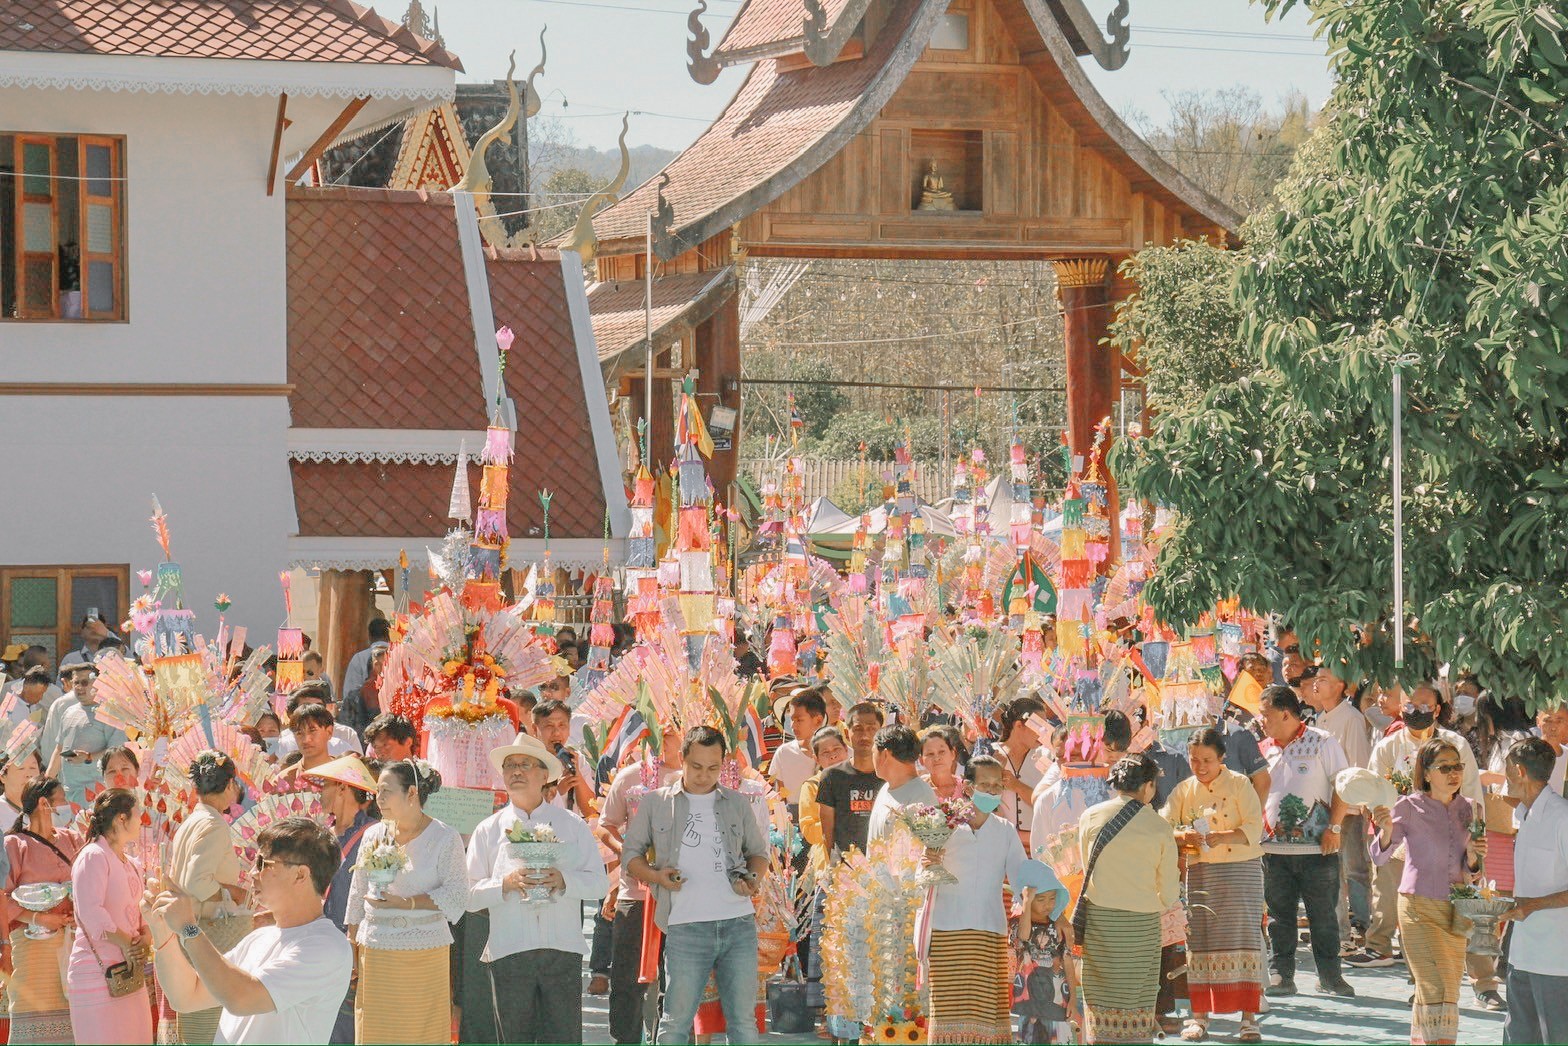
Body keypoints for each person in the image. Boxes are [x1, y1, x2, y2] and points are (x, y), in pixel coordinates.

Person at [149, 816, 354, 1045]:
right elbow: (186, 996)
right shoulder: (259, 938)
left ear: (300, 875)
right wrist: (162, 930)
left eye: (263, 864)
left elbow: (241, 998)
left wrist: (189, 928)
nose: (253, 873)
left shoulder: (327, 947)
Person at [624, 725, 769, 1046]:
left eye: (713, 768)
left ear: (723, 764)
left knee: (743, 1023)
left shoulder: (737, 802)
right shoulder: (656, 803)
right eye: (697, 767)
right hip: (685, 927)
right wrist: (657, 876)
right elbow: (631, 858)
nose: (705, 775)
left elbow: (759, 855)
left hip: (738, 925)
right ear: (682, 758)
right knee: (675, 1022)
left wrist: (753, 879)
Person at [466, 732, 607, 1044]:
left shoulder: (572, 824)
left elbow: (599, 882)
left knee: (563, 1039)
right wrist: (504, 884)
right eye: (510, 765)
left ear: (545, 774)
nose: (516, 771)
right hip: (509, 950)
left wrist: (564, 880)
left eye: (525, 764)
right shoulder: (488, 829)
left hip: (561, 950)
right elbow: (469, 895)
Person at [1354, 681, 1482, 971]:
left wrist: (1472, 832)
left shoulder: (1455, 745)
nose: (1417, 710)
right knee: (1385, 892)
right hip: (1398, 832)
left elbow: (1471, 789)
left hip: (1445, 835)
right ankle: (1379, 946)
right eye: (1411, 705)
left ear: (1437, 710)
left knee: (1453, 895)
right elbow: (1375, 789)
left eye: (1425, 706)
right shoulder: (1388, 746)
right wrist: (1384, 822)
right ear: (1402, 708)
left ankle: (1466, 962)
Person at [1368, 737, 1484, 1046]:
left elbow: (1475, 871)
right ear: (1426, 772)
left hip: (1456, 911)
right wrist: (1386, 832)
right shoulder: (1407, 806)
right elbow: (1379, 856)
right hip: (1417, 907)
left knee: (1445, 986)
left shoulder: (1472, 809)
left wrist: (1474, 857)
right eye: (1444, 767)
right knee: (1437, 985)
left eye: (1457, 766)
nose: (1453, 773)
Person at [345, 759, 468, 1044]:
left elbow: (458, 896)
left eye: (387, 791)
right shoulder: (374, 834)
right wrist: (352, 943)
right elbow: (357, 890)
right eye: (378, 791)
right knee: (376, 1030)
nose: (380, 798)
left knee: (420, 1031)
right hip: (376, 948)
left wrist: (407, 903)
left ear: (412, 793)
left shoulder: (444, 837)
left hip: (425, 950)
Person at [1164, 726, 1266, 1043]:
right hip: (1201, 872)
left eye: (1207, 759)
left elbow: (1254, 825)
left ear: (1222, 757)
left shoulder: (1240, 784)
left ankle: (1249, 1019)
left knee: (1245, 939)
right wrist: (1183, 836)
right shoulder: (1183, 790)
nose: (1201, 766)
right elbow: (1163, 824)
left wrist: (1221, 836)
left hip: (1241, 870)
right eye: (1194, 760)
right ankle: (1198, 1017)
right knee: (1200, 944)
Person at [1256, 684, 1355, 997]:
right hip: (1271, 848)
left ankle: (1331, 976)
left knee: (1323, 915)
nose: (1262, 721)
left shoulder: (1322, 742)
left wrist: (1334, 828)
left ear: (1285, 713)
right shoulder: (1262, 749)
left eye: (1266, 715)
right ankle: (1280, 974)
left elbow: (1342, 785)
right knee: (1278, 916)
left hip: (1318, 848)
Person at [1075, 753, 1178, 1044]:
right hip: (1141, 923)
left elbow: (1087, 869)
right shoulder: (1159, 827)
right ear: (1148, 785)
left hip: (1101, 921)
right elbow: (1169, 891)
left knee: (1101, 992)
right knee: (1138, 995)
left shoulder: (1091, 816)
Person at [923, 754, 1024, 1044]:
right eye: (985, 784)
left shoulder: (1005, 830)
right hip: (947, 930)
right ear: (967, 787)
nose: (992, 791)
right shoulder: (943, 824)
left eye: (997, 785)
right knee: (947, 1012)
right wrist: (928, 862)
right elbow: (920, 875)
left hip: (989, 930)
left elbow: (1021, 878)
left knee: (985, 1013)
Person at [596, 727, 683, 1045]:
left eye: (674, 729)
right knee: (626, 977)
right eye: (659, 729)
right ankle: (626, 1039)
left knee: (679, 979)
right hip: (636, 894)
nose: (666, 736)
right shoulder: (631, 776)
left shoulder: (698, 778)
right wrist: (628, 854)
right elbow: (605, 826)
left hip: (682, 897)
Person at [165, 752, 253, 1045]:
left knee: (198, 1018)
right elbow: (196, 882)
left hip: (192, 927)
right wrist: (233, 892)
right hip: (210, 930)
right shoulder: (214, 824)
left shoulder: (194, 820)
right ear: (229, 785)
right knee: (210, 1019)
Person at [1497, 737, 1568, 1044]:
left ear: (1520, 771)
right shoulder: (1524, 815)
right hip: (1522, 956)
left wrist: (1532, 905)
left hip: (1557, 962)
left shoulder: (1562, 818)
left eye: (1506, 770)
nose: (1504, 778)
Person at [3, 776, 84, 1044]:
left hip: (70, 943)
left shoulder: (73, 838)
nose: (66, 804)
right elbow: (2, 897)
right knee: (32, 1022)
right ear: (43, 803)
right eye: (61, 798)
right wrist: (39, 917)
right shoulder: (13, 844)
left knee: (73, 1023)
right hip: (31, 947)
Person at [67, 788, 152, 1045]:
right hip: (96, 972)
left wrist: (145, 938)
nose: (142, 820)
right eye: (137, 814)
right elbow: (90, 912)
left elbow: (141, 912)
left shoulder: (132, 863)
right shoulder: (93, 855)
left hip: (130, 972)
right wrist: (129, 944)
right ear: (121, 819)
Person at [1303, 667, 1373, 949]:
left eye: (1324, 680)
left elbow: (1358, 764)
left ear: (1342, 686)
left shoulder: (1352, 718)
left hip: (1349, 807)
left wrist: (1355, 806)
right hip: (1325, 804)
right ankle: (1339, 931)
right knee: (1332, 870)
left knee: (1354, 869)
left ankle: (1364, 927)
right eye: (1316, 679)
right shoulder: (1321, 717)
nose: (1317, 684)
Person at [1009, 859, 1075, 1045]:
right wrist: (1027, 903)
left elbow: (1067, 960)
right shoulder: (1017, 924)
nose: (1048, 904)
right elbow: (1023, 935)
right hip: (1028, 1004)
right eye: (1041, 899)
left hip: (1057, 1002)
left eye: (1052, 898)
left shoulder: (1058, 927)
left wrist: (1073, 999)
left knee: (1059, 1041)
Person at [41, 663, 124, 805]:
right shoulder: (68, 711)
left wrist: (89, 757)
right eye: (76, 683)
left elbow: (117, 751)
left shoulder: (110, 711)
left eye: (85, 683)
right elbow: (59, 749)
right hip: (68, 792)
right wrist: (46, 781)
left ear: (98, 683)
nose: (79, 687)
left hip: (98, 792)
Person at [815, 701, 884, 860]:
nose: (865, 735)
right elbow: (827, 832)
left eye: (872, 729)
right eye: (858, 729)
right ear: (847, 734)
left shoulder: (891, 776)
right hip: (846, 871)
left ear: (881, 733)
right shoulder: (831, 776)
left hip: (884, 869)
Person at [867, 724, 938, 842]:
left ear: (885, 754)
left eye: (873, 752)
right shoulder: (885, 788)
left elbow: (929, 849)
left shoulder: (922, 796)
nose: (872, 758)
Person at [995, 696, 1047, 851]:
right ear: (1019, 725)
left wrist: (1016, 786)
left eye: (1045, 726)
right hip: (1000, 845)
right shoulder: (991, 753)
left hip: (1037, 846)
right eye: (1039, 726)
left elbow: (1048, 802)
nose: (1043, 732)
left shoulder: (1046, 757)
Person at [767, 686, 827, 808]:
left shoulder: (841, 754)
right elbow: (781, 797)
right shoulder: (784, 753)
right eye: (792, 719)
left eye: (799, 720)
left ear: (818, 720)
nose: (793, 725)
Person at [339, 621, 391, 717]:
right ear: (390, 635)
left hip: (363, 715)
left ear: (369, 636)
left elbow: (350, 690)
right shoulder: (398, 654)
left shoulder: (358, 658)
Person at [919, 724, 968, 801]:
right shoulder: (917, 789)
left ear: (952, 754)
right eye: (930, 754)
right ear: (921, 760)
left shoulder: (966, 788)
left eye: (942, 752)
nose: (937, 758)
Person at [1, 746, 42, 826]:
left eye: (33, 768)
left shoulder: (47, 809)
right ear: (3, 777)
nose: (29, 774)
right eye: (21, 768)